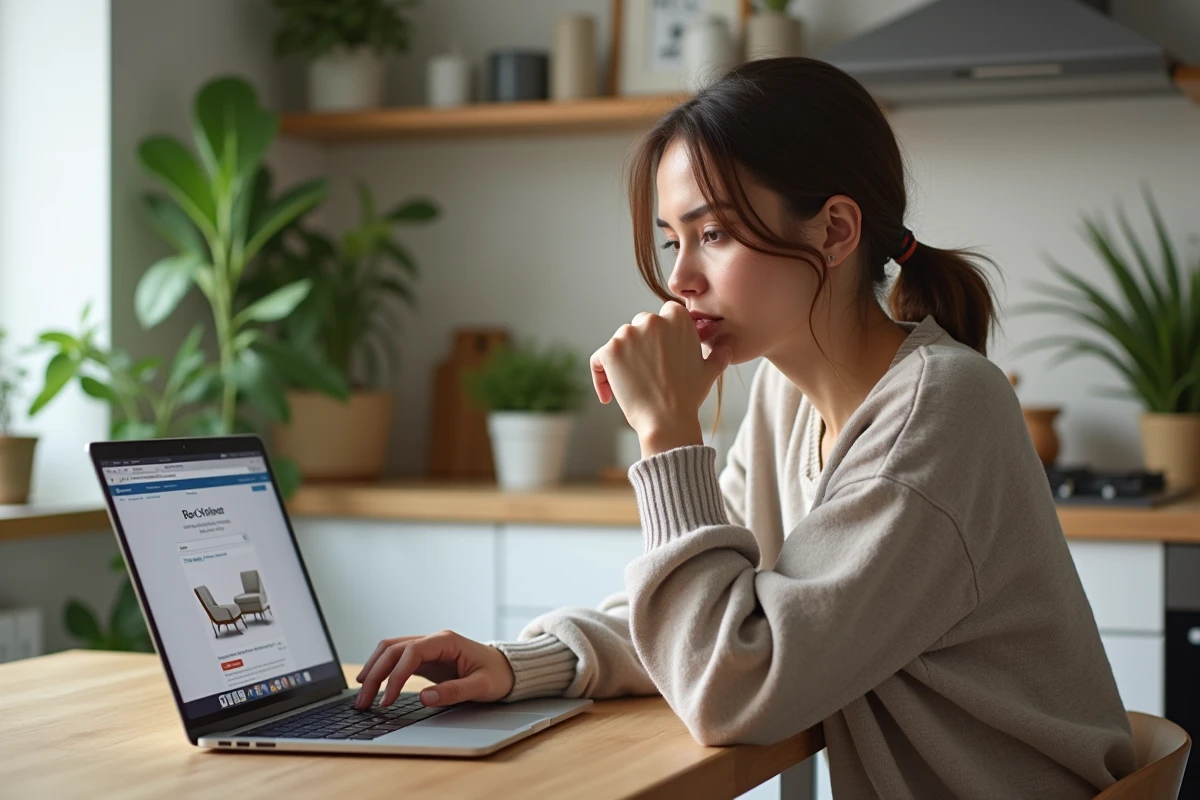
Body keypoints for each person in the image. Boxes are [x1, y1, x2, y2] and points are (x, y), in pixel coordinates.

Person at [354, 58, 1135, 798]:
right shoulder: (784, 398)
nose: (679, 279)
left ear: (833, 232)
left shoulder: (940, 411)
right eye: (672, 239)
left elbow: (732, 686)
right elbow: (717, 613)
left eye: (714, 234)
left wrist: (667, 435)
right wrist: (520, 663)